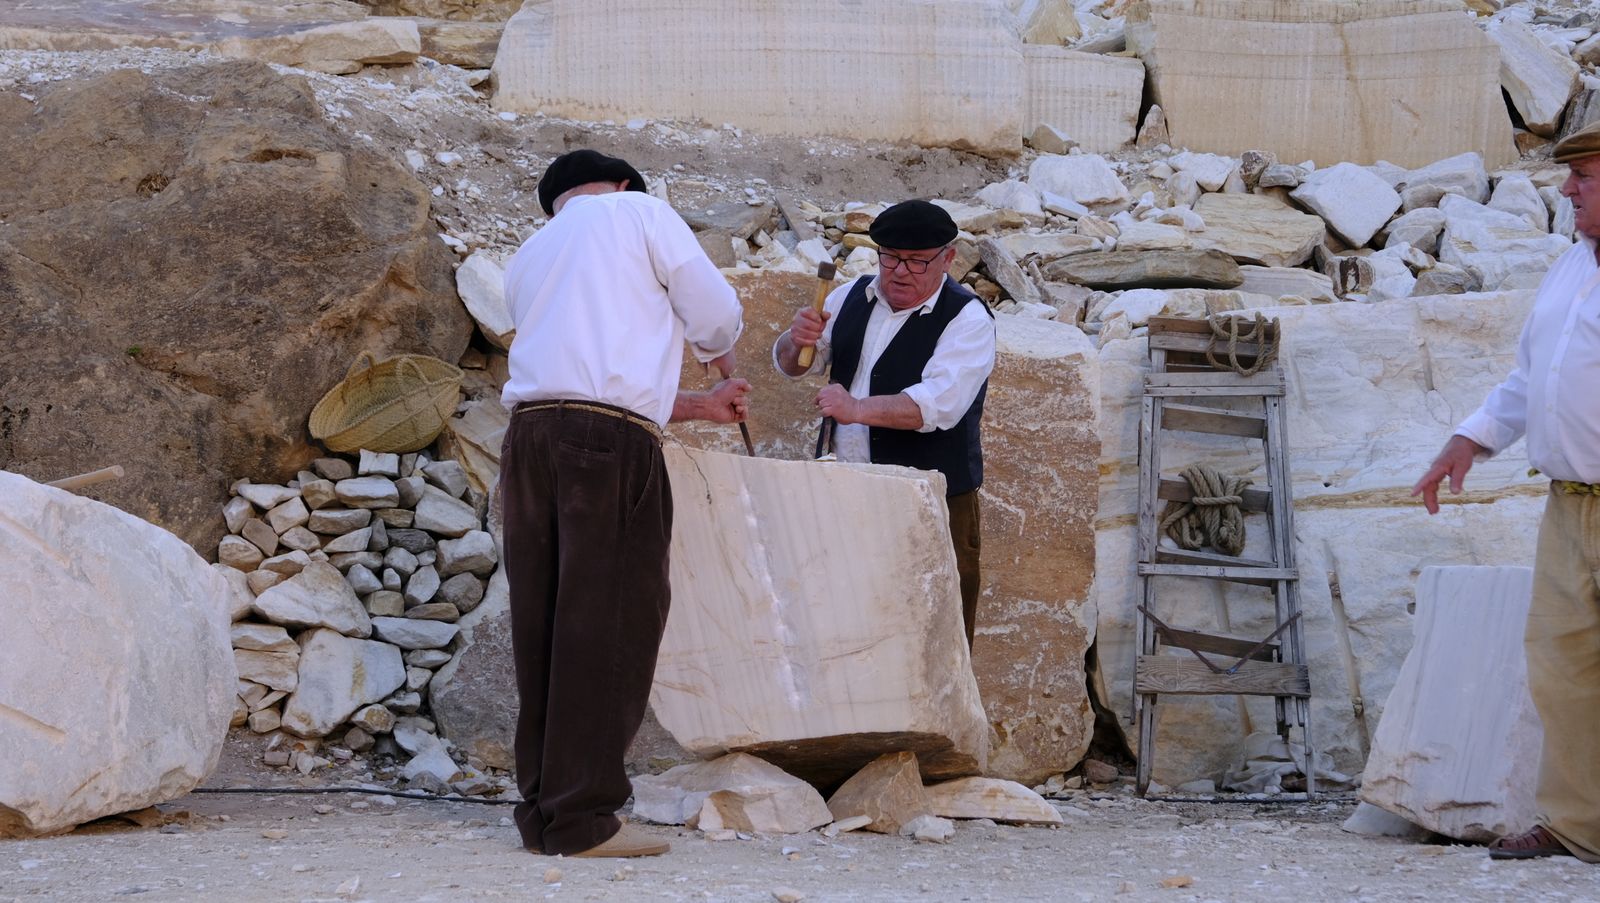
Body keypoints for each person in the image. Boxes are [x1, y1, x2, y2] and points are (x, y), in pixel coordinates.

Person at [498, 149, 747, 859]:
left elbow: (585, 368)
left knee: (545, 624)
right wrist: (721, 351)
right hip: (608, 447)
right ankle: (583, 819)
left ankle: (544, 811)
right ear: (623, 183)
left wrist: (695, 403)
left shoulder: (531, 255)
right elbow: (713, 313)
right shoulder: (639, 211)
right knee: (608, 621)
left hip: (529, 440)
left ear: (556, 204)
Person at [1411, 121, 1600, 863]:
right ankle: (1580, 824)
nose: (1568, 189)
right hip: (1570, 503)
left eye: (1584, 176)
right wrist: (1471, 438)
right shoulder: (1571, 265)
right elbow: (1533, 377)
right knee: (1563, 665)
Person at [773, 199, 996, 646]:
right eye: (890, 257)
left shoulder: (968, 318)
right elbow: (795, 364)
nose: (900, 272)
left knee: (931, 637)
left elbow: (939, 406)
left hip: (930, 501)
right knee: (842, 621)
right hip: (844, 489)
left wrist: (856, 408)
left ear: (948, 258)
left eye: (917, 261)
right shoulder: (851, 296)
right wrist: (795, 341)